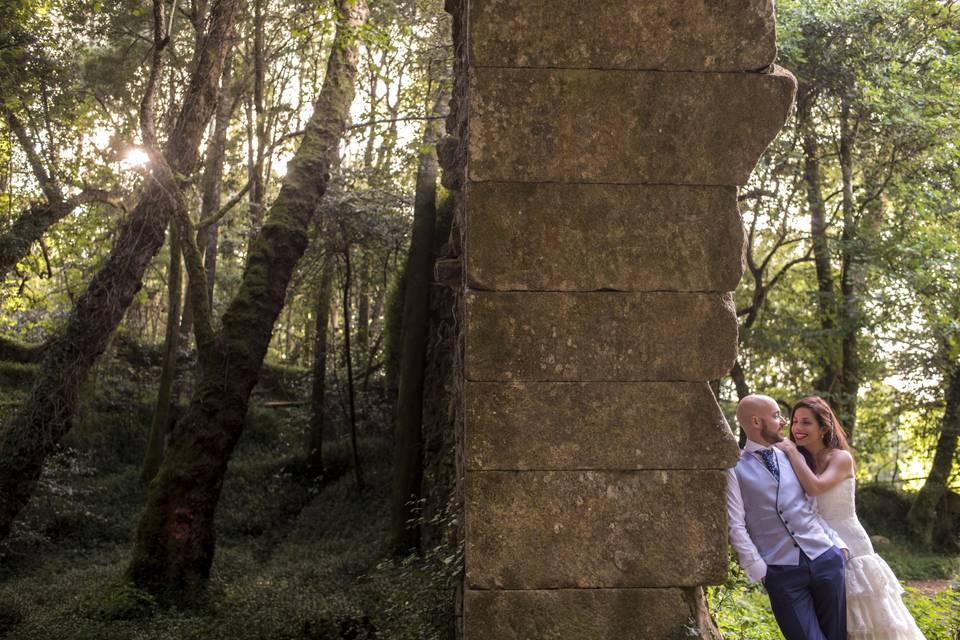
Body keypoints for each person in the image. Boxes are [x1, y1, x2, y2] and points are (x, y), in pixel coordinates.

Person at [775, 395, 926, 640]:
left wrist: (791, 451)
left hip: (850, 543)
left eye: (806, 422)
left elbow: (815, 487)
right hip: (816, 545)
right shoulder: (800, 459)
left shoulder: (840, 458)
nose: (797, 428)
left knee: (864, 619)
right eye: (794, 422)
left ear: (823, 428)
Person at [727, 394, 849, 640]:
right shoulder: (735, 468)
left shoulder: (795, 456)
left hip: (825, 558)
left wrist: (837, 545)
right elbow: (735, 525)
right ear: (756, 422)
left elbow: (811, 508)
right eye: (776, 416)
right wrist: (760, 570)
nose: (784, 422)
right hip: (782, 572)